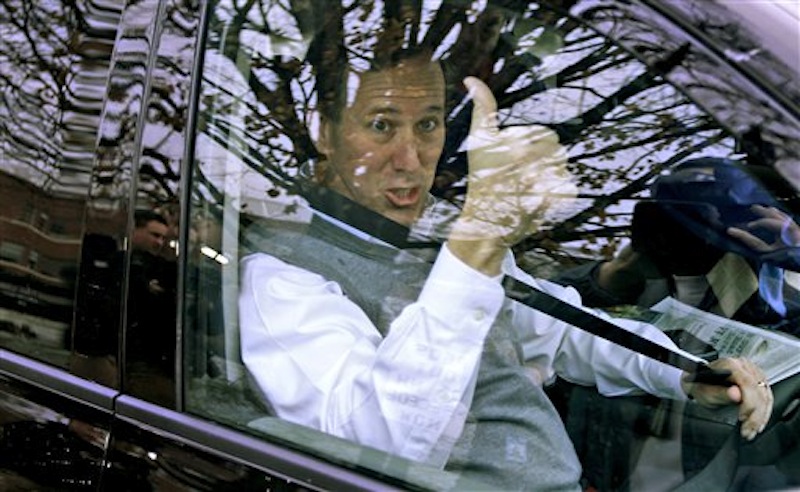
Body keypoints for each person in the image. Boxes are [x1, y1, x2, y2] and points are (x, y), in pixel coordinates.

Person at [238, 51, 773, 490]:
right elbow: (375, 450)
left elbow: (557, 329)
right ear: (324, 134)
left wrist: (682, 372)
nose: (409, 156)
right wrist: (480, 236)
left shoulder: (440, 237)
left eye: (427, 124)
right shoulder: (283, 277)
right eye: (381, 126)